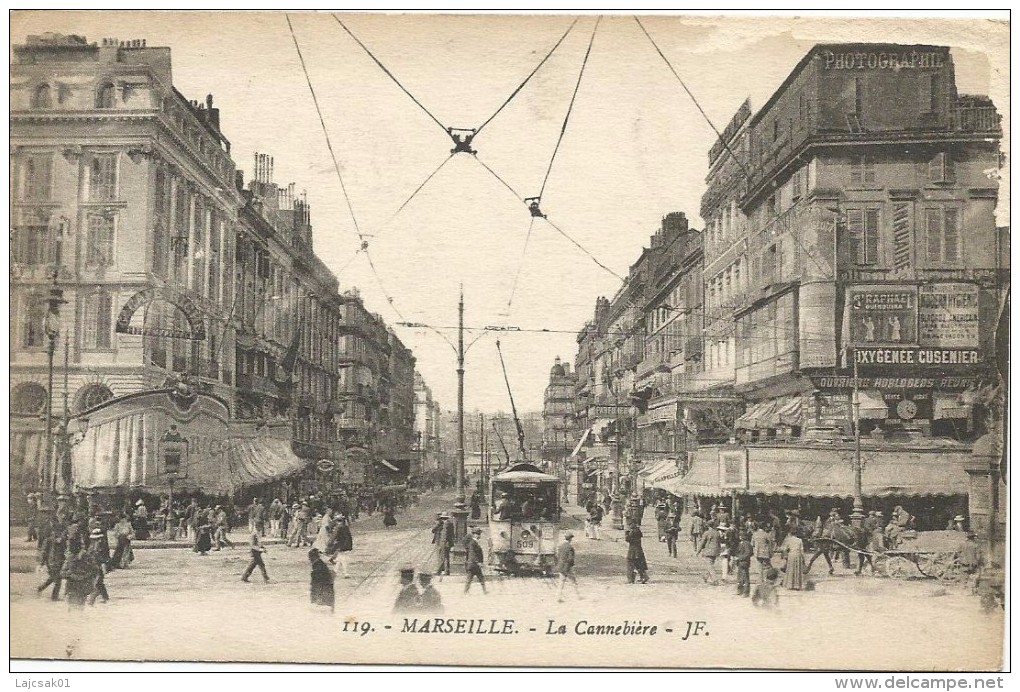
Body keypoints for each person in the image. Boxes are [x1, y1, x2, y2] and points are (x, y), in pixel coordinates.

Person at [36, 523, 66, 600]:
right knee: (58, 580)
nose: (59, 532)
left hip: (59, 562)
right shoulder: (49, 540)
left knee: (53, 578)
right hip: (52, 562)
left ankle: (40, 588)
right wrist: (42, 563)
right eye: (58, 531)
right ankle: (54, 597)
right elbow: (44, 552)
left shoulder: (62, 540)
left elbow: (64, 551)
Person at [85, 528, 110, 605]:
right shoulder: (93, 547)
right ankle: (103, 597)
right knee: (98, 583)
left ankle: (102, 597)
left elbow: (102, 557)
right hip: (94, 566)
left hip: (97, 566)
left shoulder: (99, 546)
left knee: (98, 582)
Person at [555, 531, 582, 603]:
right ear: (570, 539)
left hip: (561, 567)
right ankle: (577, 596)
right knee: (573, 582)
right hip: (567, 568)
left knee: (561, 582)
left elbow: (558, 556)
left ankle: (558, 597)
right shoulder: (570, 547)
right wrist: (572, 566)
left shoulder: (561, 546)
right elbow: (570, 559)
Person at [464, 527, 487, 594]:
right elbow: (472, 554)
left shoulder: (475, 542)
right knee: (475, 578)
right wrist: (478, 562)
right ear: (474, 535)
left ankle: (466, 591)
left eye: (479, 534)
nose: (479, 535)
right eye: (478, 534)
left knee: (476, 578)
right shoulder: (472, 543)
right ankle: (466, 591)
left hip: (473, 564)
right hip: (473, 564)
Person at [332, 513, 354, 579]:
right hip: (347, 544)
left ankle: (345, 573)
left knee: (343, 559)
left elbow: (334, 537)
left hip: (341, 545)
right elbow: (349, 537)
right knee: (339, 559)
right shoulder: (346, 527)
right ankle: (335, 572)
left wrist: (330, 543)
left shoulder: (338, 528)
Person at [734, 530, 753, 597]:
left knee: (745, 577)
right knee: (739, 577)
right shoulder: (741, 543)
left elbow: (748, 553)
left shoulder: (746, 544)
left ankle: (746, 592)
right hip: (740, 562)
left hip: (744, 562)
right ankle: (740, 590)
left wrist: (739, 558)